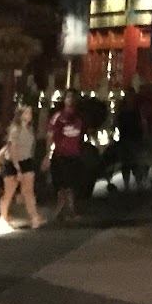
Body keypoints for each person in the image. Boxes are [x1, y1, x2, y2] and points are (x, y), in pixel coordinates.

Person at [0, 104, 43, 229]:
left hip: (26, 160)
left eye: (30, 113)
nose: (29, 115)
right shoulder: (15, 130)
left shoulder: (30, 129)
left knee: (28, 191)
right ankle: (4, 216)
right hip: (12, 162)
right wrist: (17, 168)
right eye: (26, 112)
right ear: (20, 115)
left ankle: (34, 217)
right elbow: (12, 149)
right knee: (9, 191)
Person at [43, 89, 86, 222]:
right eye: (68, 97)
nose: (70, 100)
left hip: (74, 154)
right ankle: (61, 209)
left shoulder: (79, 117)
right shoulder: (58, 117)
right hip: (60, 154)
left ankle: (69, 210)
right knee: (61, 184)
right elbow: (50, 136)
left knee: (71, 184)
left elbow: (82, 134)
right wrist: (48, 155)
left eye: (72, 97)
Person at [114, 87, 145, 191]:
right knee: (126, 162)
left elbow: (142, 121)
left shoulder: (137, 108)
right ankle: (127, 184)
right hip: (125, 137)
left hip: (136, 137)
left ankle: (138, 183)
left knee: (136, 162)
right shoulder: (121, 108)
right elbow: (116, 121)